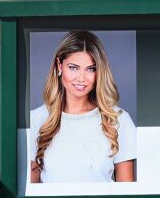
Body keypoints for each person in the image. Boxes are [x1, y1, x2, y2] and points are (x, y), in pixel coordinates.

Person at [29, 30, 137, 184]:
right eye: (73, 67)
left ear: (99, 72)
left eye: (91, 69)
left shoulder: (119, 120)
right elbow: (31, 195)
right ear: (59, 66)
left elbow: (126, 197)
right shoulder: (36, 120)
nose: (81, 78)